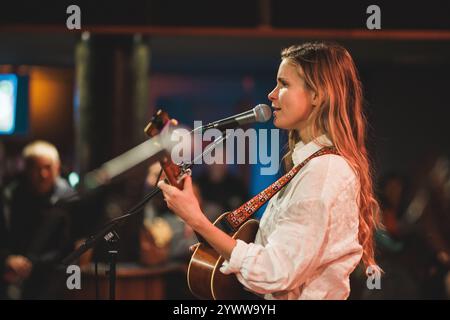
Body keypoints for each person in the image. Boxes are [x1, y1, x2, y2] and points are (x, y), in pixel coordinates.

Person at [157, 42, 381, 300]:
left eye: (284, 84)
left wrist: (196, 219)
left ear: (317, 95)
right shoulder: (308, 165)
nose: (272, 94)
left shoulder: (325, 170)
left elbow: (276, 271)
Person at [1, 140, 76, 299]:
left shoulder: (69, 200)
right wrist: (7, 259)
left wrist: (32, 265)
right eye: (36, 168)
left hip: (54, 282)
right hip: (11, 280)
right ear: (26, 169)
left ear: (57, 167)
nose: (43, 174)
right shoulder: (10, 197)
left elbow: (71, 248)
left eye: (48, 167)